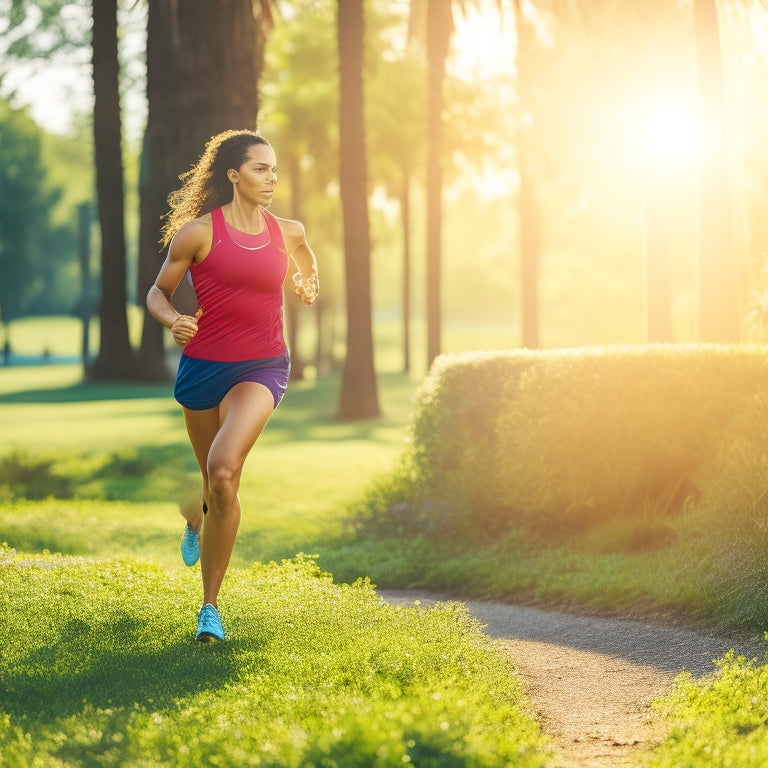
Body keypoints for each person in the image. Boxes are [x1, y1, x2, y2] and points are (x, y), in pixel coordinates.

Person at [147, 129, 319, 643]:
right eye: (260, 169)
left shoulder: (286, 230)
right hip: (204, 367)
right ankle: (192, 513)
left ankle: (209, 609)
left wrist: (307, 282)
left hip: (262, 366)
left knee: (224, 474)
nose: (271, 178)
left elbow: (306, 256)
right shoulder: (198, 233)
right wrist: (173, 319)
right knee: (206, 481)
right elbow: (158, 292)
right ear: (233, 175)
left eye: (273, 169)